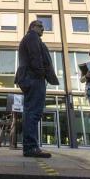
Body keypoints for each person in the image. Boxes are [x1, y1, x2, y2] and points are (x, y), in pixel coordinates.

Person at [15, 20, 59, 158]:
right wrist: (40, 74)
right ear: (32, 27)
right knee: (33, 112)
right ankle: (31, 147)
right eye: (40, 26)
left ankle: (31, 146)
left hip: (31, 77)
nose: (43, 29)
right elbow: (36, 57)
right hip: (33, 78)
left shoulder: (31, 38)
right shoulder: (32, 37)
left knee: (32, 111)